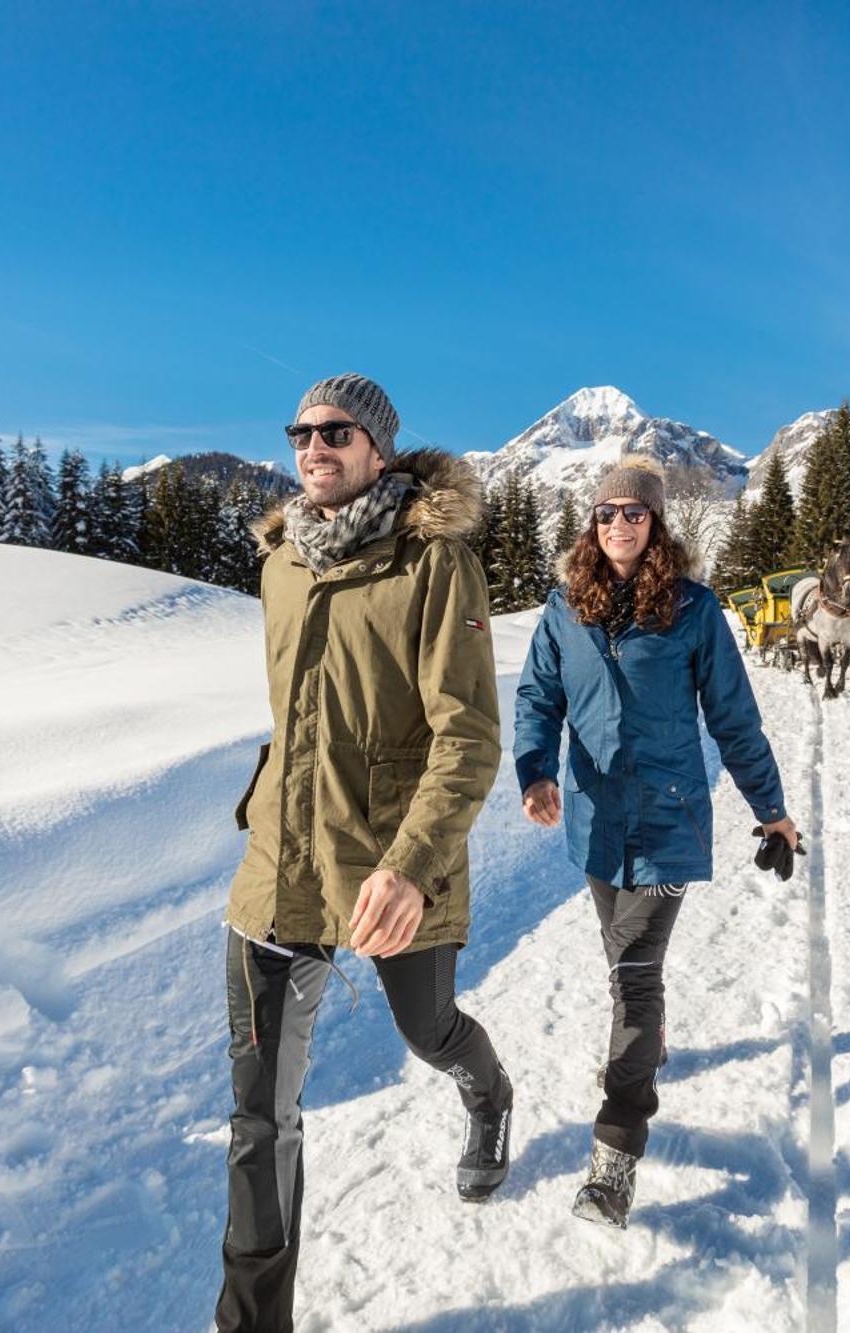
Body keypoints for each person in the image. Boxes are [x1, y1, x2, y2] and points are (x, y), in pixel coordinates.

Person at [218, 373, 513, 1332]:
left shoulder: (433, 564)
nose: (314, 446)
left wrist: (411, 864)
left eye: (336, 432)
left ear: (378, 448)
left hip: (392, 865)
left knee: (427, 1032)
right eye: (301, 431)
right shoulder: (280, 565)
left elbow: (467, 735)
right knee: (260, 1119)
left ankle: (489, 1090)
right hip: (280, 862)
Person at [513, 455, 799, 1229]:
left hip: (669, 822)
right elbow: (538, 696)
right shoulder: (563, 609)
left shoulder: (694, 610)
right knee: (623, 966)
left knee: (635, 977)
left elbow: (734, 718)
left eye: (634, 513)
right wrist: (535, 770)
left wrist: (771, 810)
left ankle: (614, 1156)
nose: (620, 525)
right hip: (595, 823)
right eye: (607, 513)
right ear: (591, 523)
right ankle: (652, 1036)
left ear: (656, 522)